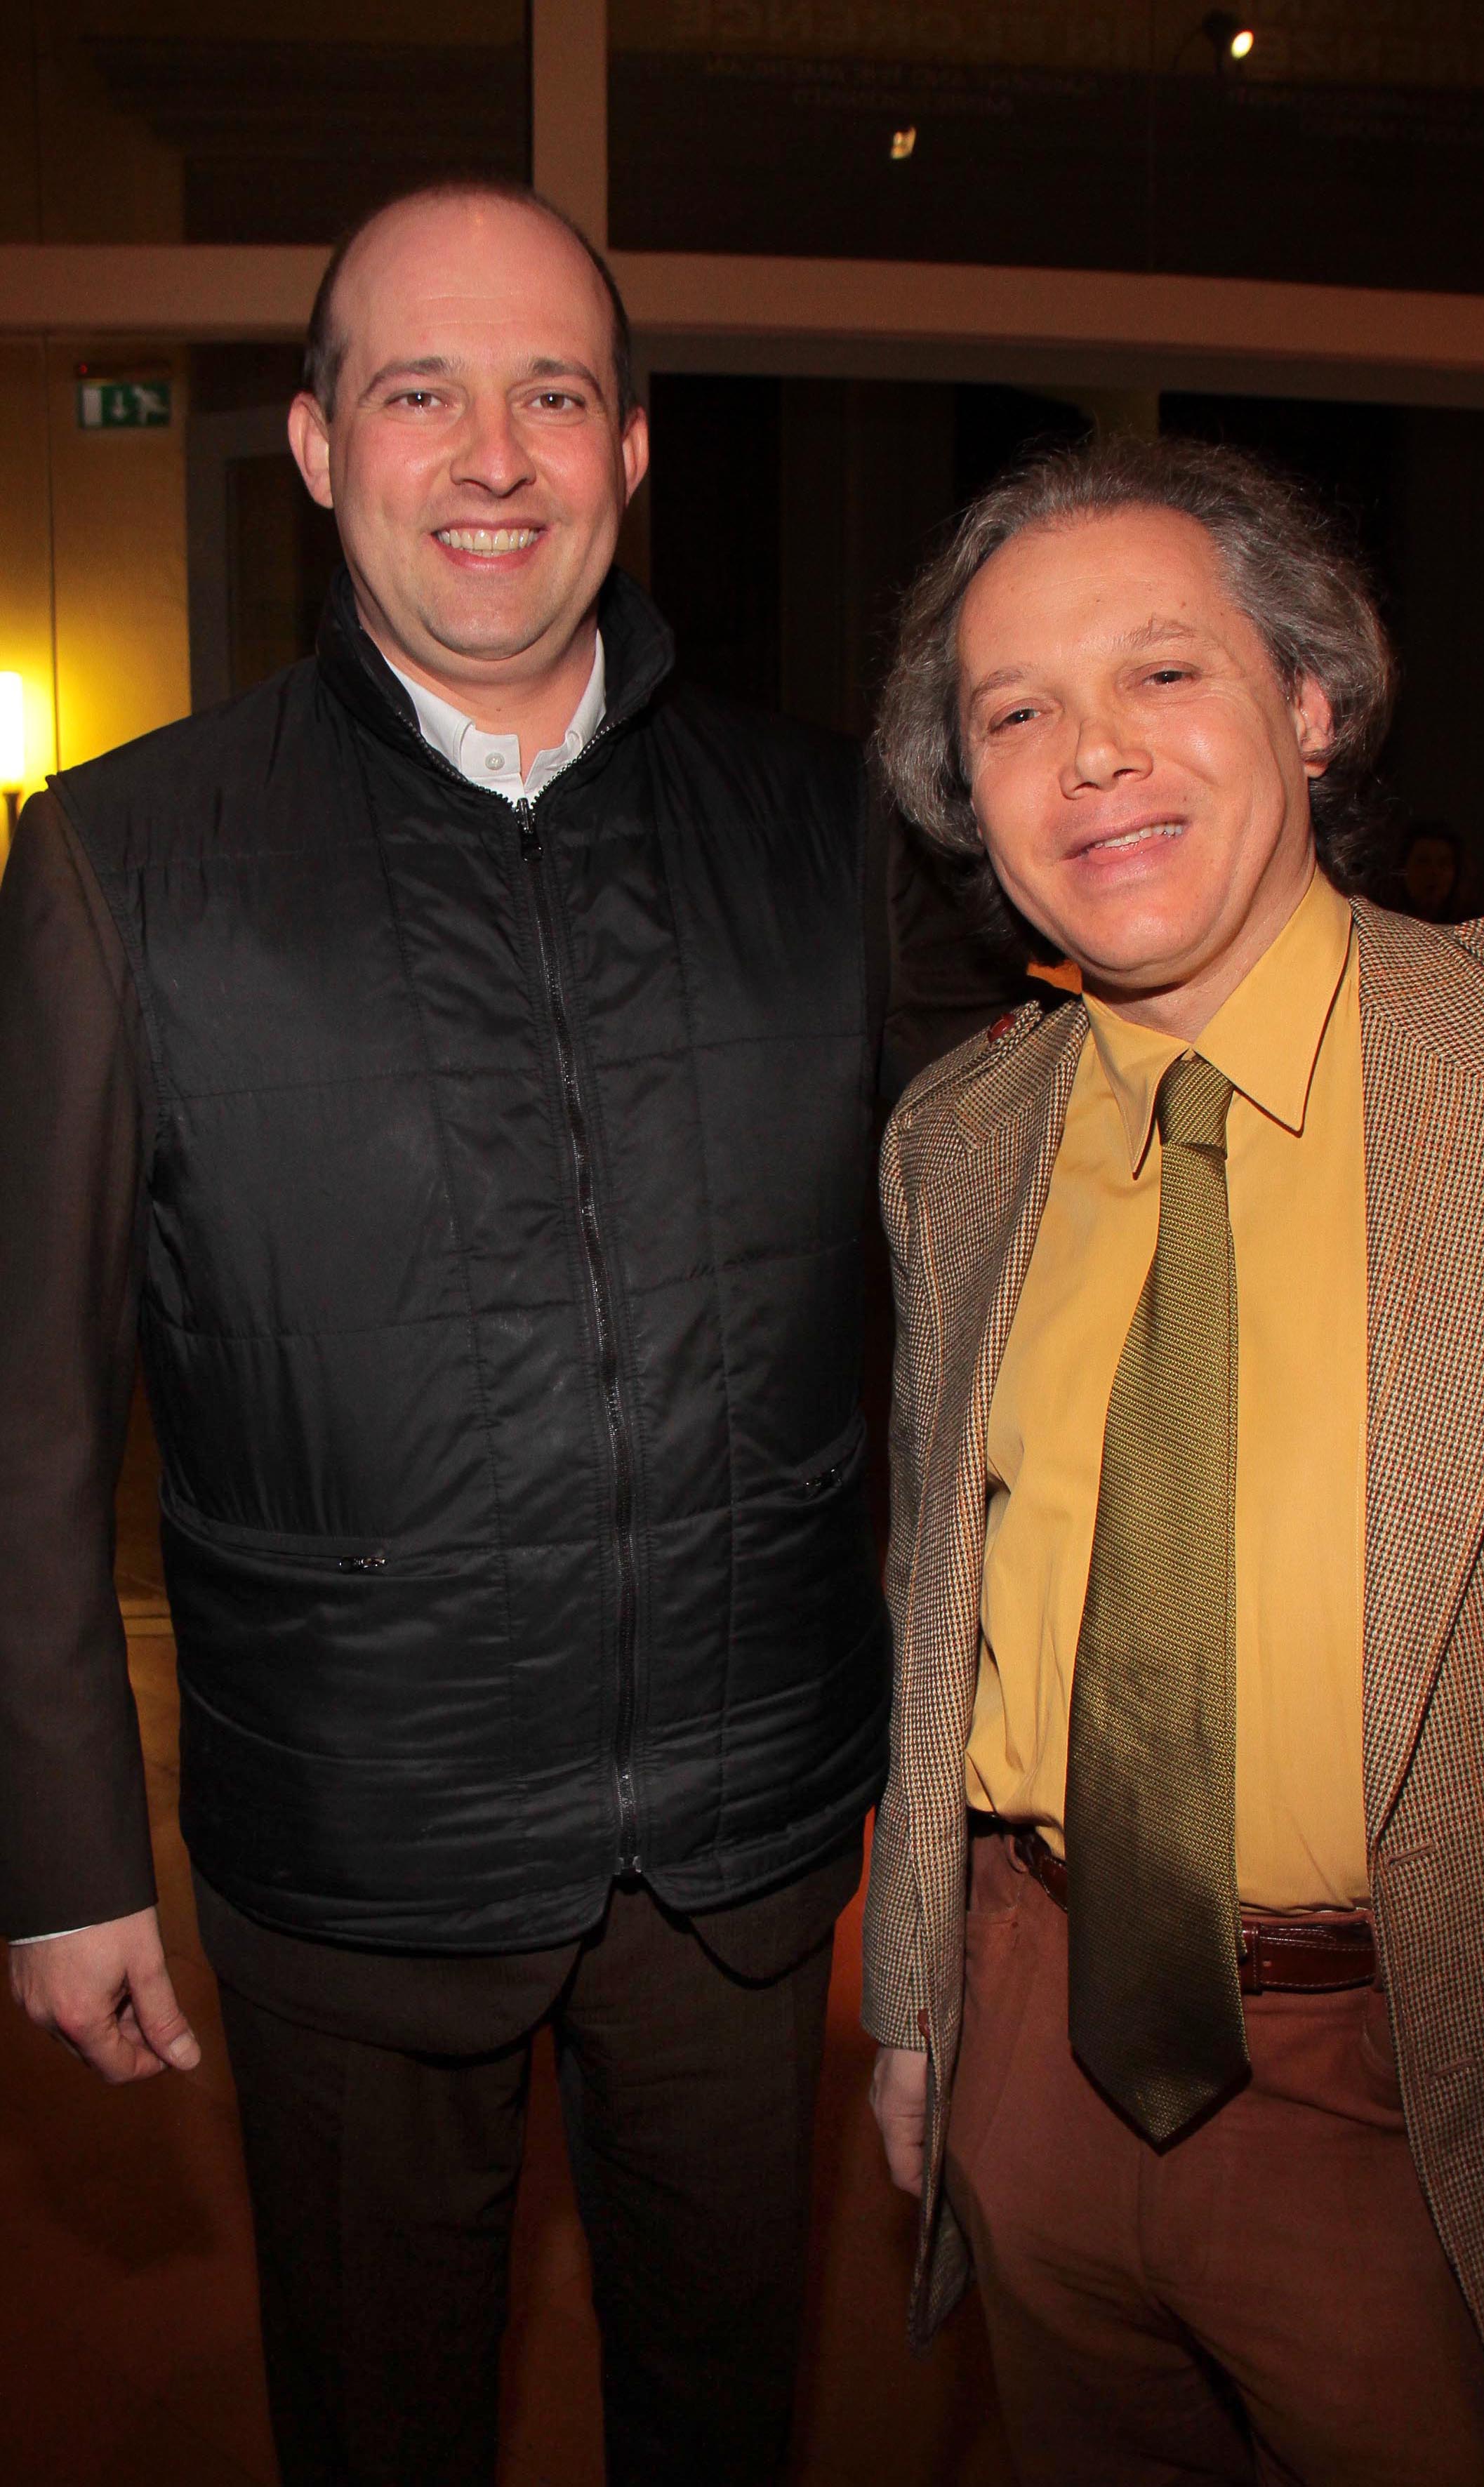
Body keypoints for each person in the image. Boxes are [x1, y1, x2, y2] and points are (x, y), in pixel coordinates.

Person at [0, 179, 894, 2487]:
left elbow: (978, 1284)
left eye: (552, 395)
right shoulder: (128, 859)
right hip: (353, 1852)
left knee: (732, 2410)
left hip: (742, 1839)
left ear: (629, 448)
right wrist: (69, 1850)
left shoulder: (827, 838)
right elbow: (23, 1412)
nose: (492, 456)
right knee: (379, 2422)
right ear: (315, 446)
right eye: (422, 392)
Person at [861, 432, 1484, 2486]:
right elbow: (939, 1610)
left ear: (1307, 706)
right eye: (1013, 712)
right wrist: (911, 2008)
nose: (1089, 758)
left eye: (1161, 675)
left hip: (1425, 2106)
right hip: (1031, 2061)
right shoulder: (954, 1145)